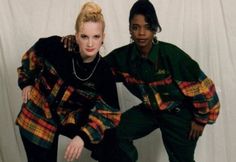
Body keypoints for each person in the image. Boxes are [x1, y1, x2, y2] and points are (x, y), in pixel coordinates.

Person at [62, 0, 220, 161]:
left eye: (147, 27)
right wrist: (77, 44)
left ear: (155, 28)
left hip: (178, 114)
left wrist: (201, 120)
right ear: (130, 29)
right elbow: (95, 68)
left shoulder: (172, 56)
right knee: (115, 132)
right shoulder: (122, 57)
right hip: (150, 111)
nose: (141, 33)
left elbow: (205, 89)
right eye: (135, 27)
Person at [15, 2, 121, 162]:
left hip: (70, 117)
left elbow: (109, 114)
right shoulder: (57, 46)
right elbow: (32, 56)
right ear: (77, 36)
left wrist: (82, 137)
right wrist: (26, 82)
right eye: (84, 36)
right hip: (39, 112)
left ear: (103, 37)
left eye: (96, 37)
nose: (90, 44)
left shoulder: (104, 73)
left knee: (112, 145)